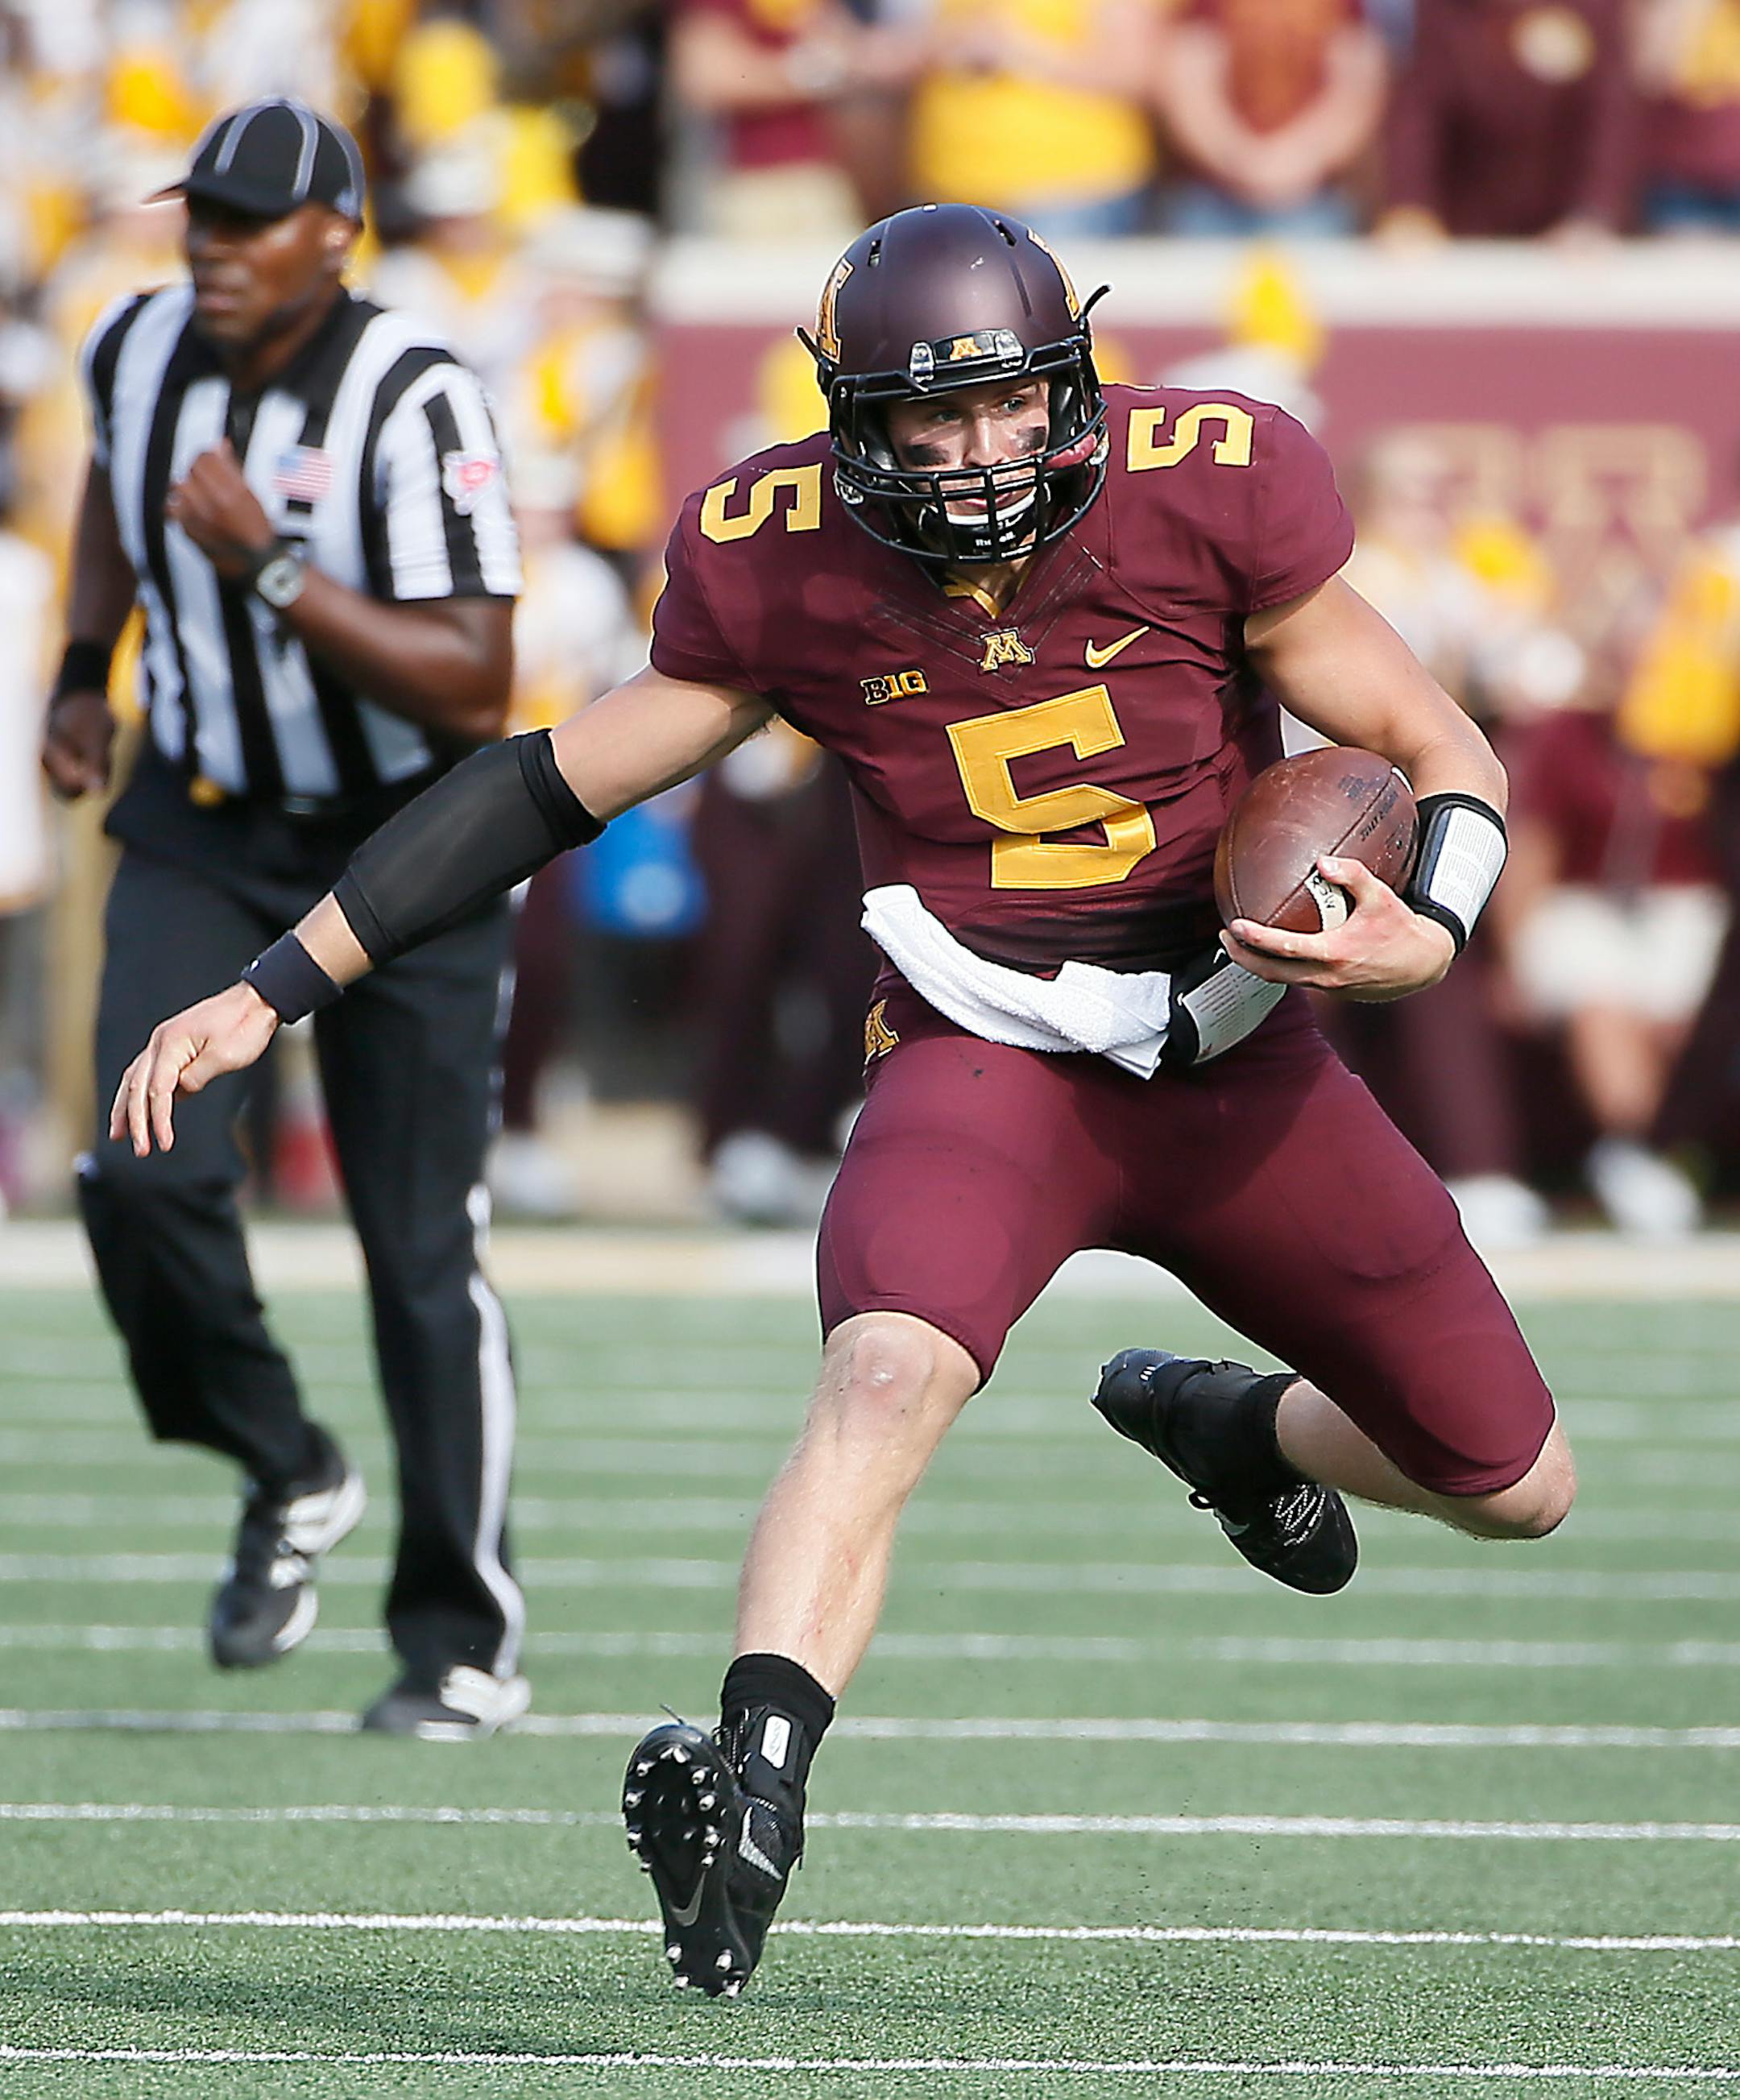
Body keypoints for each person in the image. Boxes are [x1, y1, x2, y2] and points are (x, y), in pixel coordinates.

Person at [109, 203, 1576, 1990]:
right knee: (882, 1368)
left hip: (1234, 1048)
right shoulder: (777, 553)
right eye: (924, 422)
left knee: (1518, 1480)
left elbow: (1444, 750)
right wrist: (281, 984)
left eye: (1005, 411)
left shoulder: (1218, 484)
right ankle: (755, 1789)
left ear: (1072, 391)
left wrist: (1432, 922)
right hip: (984, 1048)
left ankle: (1232, 1427)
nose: (972, 459)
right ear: (849, 423)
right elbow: (541, 786)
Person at [45, 98, 530, 1741]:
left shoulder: (417, 392)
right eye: (201, 217)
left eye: (249, 223)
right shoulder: (134, 347)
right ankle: (284, 1460)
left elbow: (478, 674)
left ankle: (460, 1634)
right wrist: (76, 672)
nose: (212, 249)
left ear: (338, 234)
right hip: (202, 816)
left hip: (407, 839)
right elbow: (123, 502)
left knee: (417, 1251)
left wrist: (267, 575)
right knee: (138, 1159)